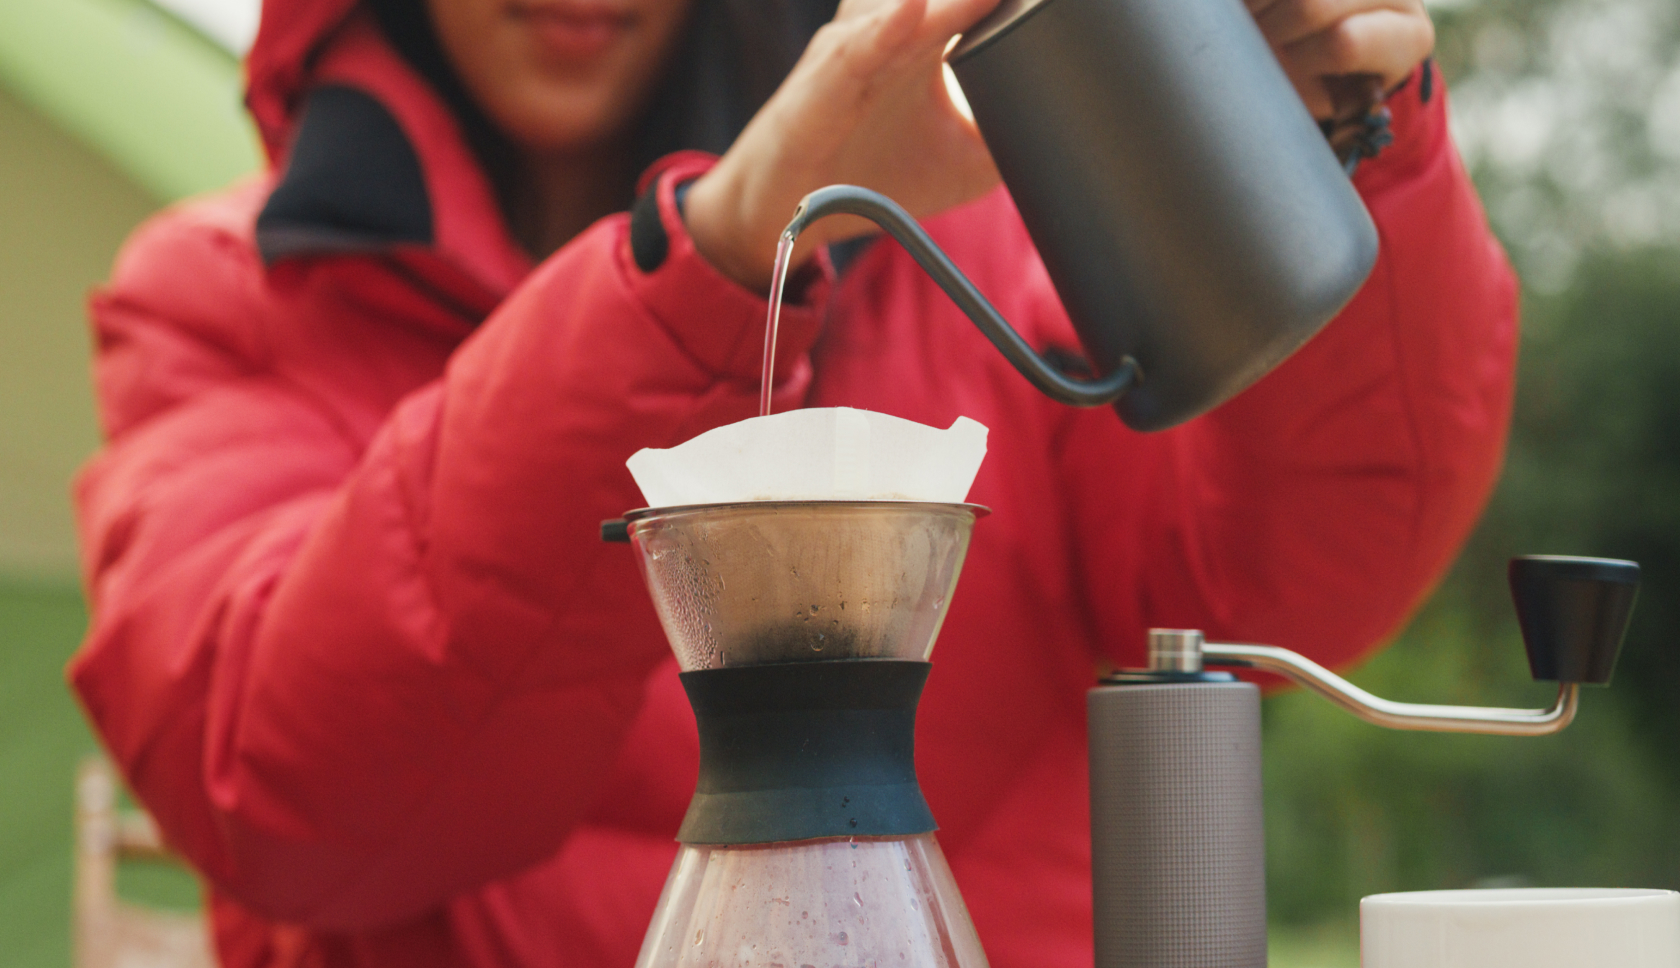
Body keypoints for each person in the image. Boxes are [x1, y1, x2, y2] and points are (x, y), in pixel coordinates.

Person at [66, 0, 1513, 962]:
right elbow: (283, 792)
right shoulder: (222, 296)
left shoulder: (983, 243)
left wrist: (1321, 144)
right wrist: (717, 246)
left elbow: (1292, 580)